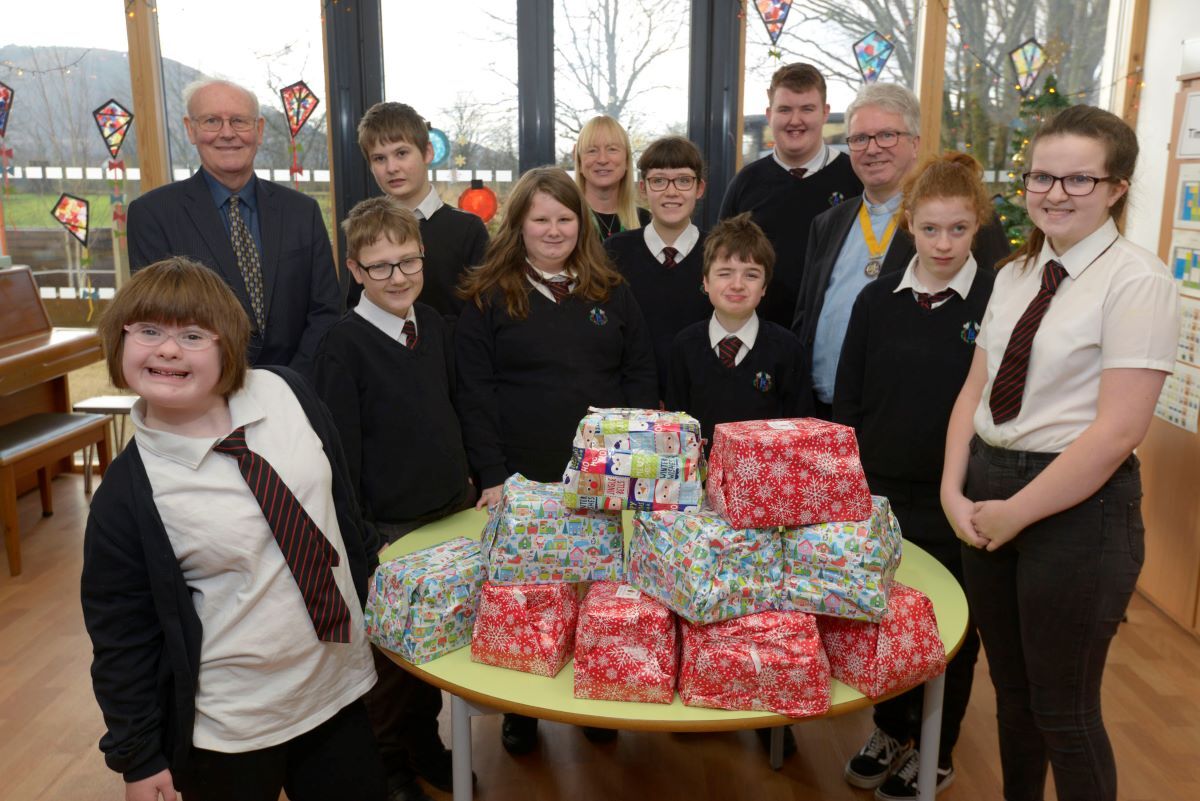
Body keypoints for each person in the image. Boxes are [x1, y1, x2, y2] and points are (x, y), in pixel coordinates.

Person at [81, 258, 385, 801]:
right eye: (148, 331)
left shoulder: (286, 392)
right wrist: (139, 758)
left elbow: (340, 501)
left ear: (228, 346)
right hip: (230, 725)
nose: (168, 350)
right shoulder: (128, 495)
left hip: (337, 688)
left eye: (193, 335)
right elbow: (121, 636)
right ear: (119, 342)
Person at [941, 105, 1178, 801]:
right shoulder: (1017, 273)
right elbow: (973, 392)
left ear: (1117, 187)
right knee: (1012, 695)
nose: (1054, 193)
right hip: (987, 487)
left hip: (1076, 508)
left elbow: (1117, 432)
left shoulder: (1137, 280)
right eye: (1041, 176)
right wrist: (954, 490)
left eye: (1079, 179)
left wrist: (1015, 513)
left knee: (1065, 712)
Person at [455, 166, 657, 755]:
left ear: (582, 223)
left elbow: (640, 373)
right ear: (517, 224)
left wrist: (634, 467)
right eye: (539, 218)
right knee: (529, 596)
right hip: (522, 479)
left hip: (603, 479)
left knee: (601, 590)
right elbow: (474, 391)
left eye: (564, 218)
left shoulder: (612, 291)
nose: (552, 230)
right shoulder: (489, 296)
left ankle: (599, 690)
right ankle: (523, 709)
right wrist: (493, 474)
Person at [834, 152, 994, 800]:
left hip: (958, 496)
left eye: (958, 229)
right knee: (885, 616)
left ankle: (936, 748)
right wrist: (851, 485)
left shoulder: (996, 301)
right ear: (909, 225)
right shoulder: (876, 300)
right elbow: (848, 400)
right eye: (930, 229)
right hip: (881, 493)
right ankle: (889, 730)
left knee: (953, 629)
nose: (944, 243)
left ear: (977, 223)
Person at [313, 197, 472, 801]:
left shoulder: (433, 325)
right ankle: (388, 767)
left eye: (408, 261)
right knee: (391, 665)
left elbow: (450, 410)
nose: (398, 276)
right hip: (387, 530)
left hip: (446, 516)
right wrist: (365, 542)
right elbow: (340, 462)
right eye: (380, 266)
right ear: (355, 270)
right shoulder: (342, 346)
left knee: (431, 647)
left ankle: (423, 745)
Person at [792, 82, 1009, 419]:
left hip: (907, 417)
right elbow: (805, 317)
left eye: (887, 135)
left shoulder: (959, 221)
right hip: (821, 414)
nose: (872, 148)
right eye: (859, 139)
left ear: (915, 143)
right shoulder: (827, 223)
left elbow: (995, 312)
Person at [126, 78, 341, 379]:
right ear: (190, 129)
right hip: (199, 392)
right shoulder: (153, 215)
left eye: (239, 121)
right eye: (212, 121)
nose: (227, 133)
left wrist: (287, 384)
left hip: (295, 389)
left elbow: (326, 310)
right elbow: (156, 319)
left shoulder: (302, 212)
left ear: (259, 130)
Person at [719, 62, 864, 328]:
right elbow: (722, 264)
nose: (795, 121)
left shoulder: (855, 178)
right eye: (784, 109)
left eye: (807, 109)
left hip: (835, 332)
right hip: (760, 335)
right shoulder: (745, 183)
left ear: (825, 113)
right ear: (769, 114)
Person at [665, 212, 804, 448]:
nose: (737, 285)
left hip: (767, 470)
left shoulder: (788, 349)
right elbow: (674, 430)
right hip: (699, 470)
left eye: (751, 275)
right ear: (706, 281)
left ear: (764, 286)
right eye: (725, 273)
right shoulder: (685, 346)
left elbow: (801, 433)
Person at [353, 101, 489, 316]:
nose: (391, 168)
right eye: (379, 158)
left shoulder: (468, 230)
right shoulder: (366, 229)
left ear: (427, 152)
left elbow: (483, 314)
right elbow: (356, 311)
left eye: (401, 153)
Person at [605, 135, 712, 400]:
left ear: (700, 188)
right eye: (659, 180)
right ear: (643, 188)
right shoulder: (614, 252)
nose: (671, 191)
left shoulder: (719, 253)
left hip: (702, 400)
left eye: (684, 180)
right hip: (631, 403)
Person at [573, 115, 651, 239]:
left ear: (627, 161)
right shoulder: (565, 220)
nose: (602, 159)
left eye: (612, 149)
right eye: (592, 150)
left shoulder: (648, 223)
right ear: (579, 162)